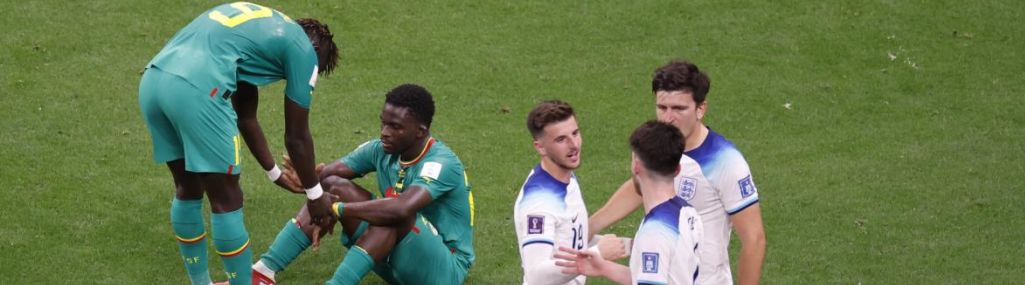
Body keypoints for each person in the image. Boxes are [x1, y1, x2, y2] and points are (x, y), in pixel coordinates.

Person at [138, 2, 339, 284]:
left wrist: (276, 174)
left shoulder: (260, 31)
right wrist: (316, 197)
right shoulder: (305, 50)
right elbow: (297, 136)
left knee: (188, 187)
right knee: (228, 199)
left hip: (154, 81)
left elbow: (246, 117)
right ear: (316, 52)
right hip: (198, 90)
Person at [243, 84, 474, 285]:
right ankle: (263, 272)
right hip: (395, 256)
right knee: (334, 187)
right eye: (383, 123)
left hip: (443, 271)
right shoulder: (381, 150)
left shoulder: (441, 163)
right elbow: (326, 178)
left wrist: (335, 209)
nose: (384, 133)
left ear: (420, 131)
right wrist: (308, 182)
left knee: (392, 212)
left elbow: (401, 209)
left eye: (395, 127)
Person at [589, 60, 766, 285]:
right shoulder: (663, 143)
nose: (668, 118)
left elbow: (754, 239)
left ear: (701, 109)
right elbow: (642, 183)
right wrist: (591, 225)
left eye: (679, 109)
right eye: (662, 108)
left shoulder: (726, 163)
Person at [557, 121, 703, 285]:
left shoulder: (654, 233)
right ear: (677, 169)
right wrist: (604, 267)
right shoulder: (688, 211)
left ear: (637, 166)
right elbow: (662, 277)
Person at [514, 101, 626, 285]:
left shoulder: (565, 175)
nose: (574, 145)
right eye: (561, 139)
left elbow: (567, 240)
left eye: (575, 133)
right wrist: (598, 253)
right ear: (540, 147)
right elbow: (536, 276)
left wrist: (628, 245)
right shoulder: (539, 204)